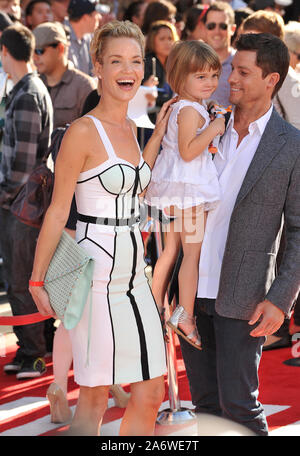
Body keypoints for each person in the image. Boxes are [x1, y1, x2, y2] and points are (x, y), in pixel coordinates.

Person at [29, 20, 173, 436]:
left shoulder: (131, 127)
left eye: (133, 61)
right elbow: (58, 212)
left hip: (135, 278)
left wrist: (159, 132)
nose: (126, 70)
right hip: (95, 278)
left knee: (151, 390)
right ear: (98, 66)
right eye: (115, 61)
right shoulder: (81, 132)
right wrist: (38, 278)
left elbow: (132, 179)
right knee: (93, 398)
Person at [179, 32, 300, 436]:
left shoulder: (292, 145)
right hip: (190, 291)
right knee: (205, 406)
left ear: (272, 80)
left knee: (239, 407)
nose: (230, 78)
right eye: (231, 68)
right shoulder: (206, 126)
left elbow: (299, 230)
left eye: (243, 72)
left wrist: (281, 298)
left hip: (245, 296)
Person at [145, 40, 224, 349]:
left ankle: (157, 309)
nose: (210, 83)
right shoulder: (190, 109)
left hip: (176, 190)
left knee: (171, 253)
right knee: (191, 255)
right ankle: (184, 315)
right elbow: (190, 151)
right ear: (180, 76)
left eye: (213, 75)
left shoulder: (186, 105)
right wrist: (215, 127)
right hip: (187, 191)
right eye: (201, 77)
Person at [0, 23, 53, 379]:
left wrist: (2, 196)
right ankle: (31, 349)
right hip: (22, 204)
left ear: (5, 52)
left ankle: (34, 353)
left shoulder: (27, 94)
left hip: (22, 206)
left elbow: (23, 164)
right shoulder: (24, 90)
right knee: (21, 280)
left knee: (22, 281)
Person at [33, 21, 97, 129]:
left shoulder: (84, 87)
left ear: (60, 48)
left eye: (39, 51)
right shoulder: (34, 84)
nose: (35, 57)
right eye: (32, 52)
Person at [143, 20, 179, 124]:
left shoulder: (175, 63)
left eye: (170, 38)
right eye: (162, 39)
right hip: (149, 121)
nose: (167, 43)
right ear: (152, 41)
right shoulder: (147, 62)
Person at [202, 1, 236, 107]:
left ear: (233, 29)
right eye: (211, 26)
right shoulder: (192, 62)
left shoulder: (242, 63)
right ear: (204, 28)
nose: (217, 31)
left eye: (223, 26)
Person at [65, 0, 102, 76]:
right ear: (85, 18)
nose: (100, 17)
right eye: (96, 13)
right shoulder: (60, 37)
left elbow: (94, 73)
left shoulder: (89, 37)